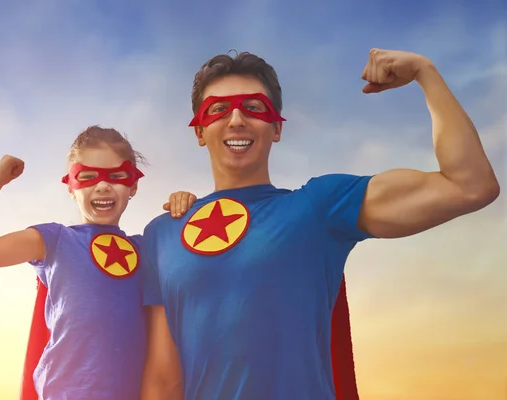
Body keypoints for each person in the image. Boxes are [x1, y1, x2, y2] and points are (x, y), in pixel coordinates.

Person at [139, 49, 500, 400]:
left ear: (276, 128)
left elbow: (470, 185)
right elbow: (162, 377)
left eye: (253, 107)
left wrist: (426, 73)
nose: (236, 120)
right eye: (218, 109)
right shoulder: (162, 234)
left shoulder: (319, 206)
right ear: (200, 132)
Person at [0, 125, 197, 400]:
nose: (103, 185)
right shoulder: (56, 240)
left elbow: (194, 267)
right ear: (71, 188)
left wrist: (187, 208)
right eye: (88, 177)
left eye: (117, 175)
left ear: (133, 186)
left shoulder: (147, 247)